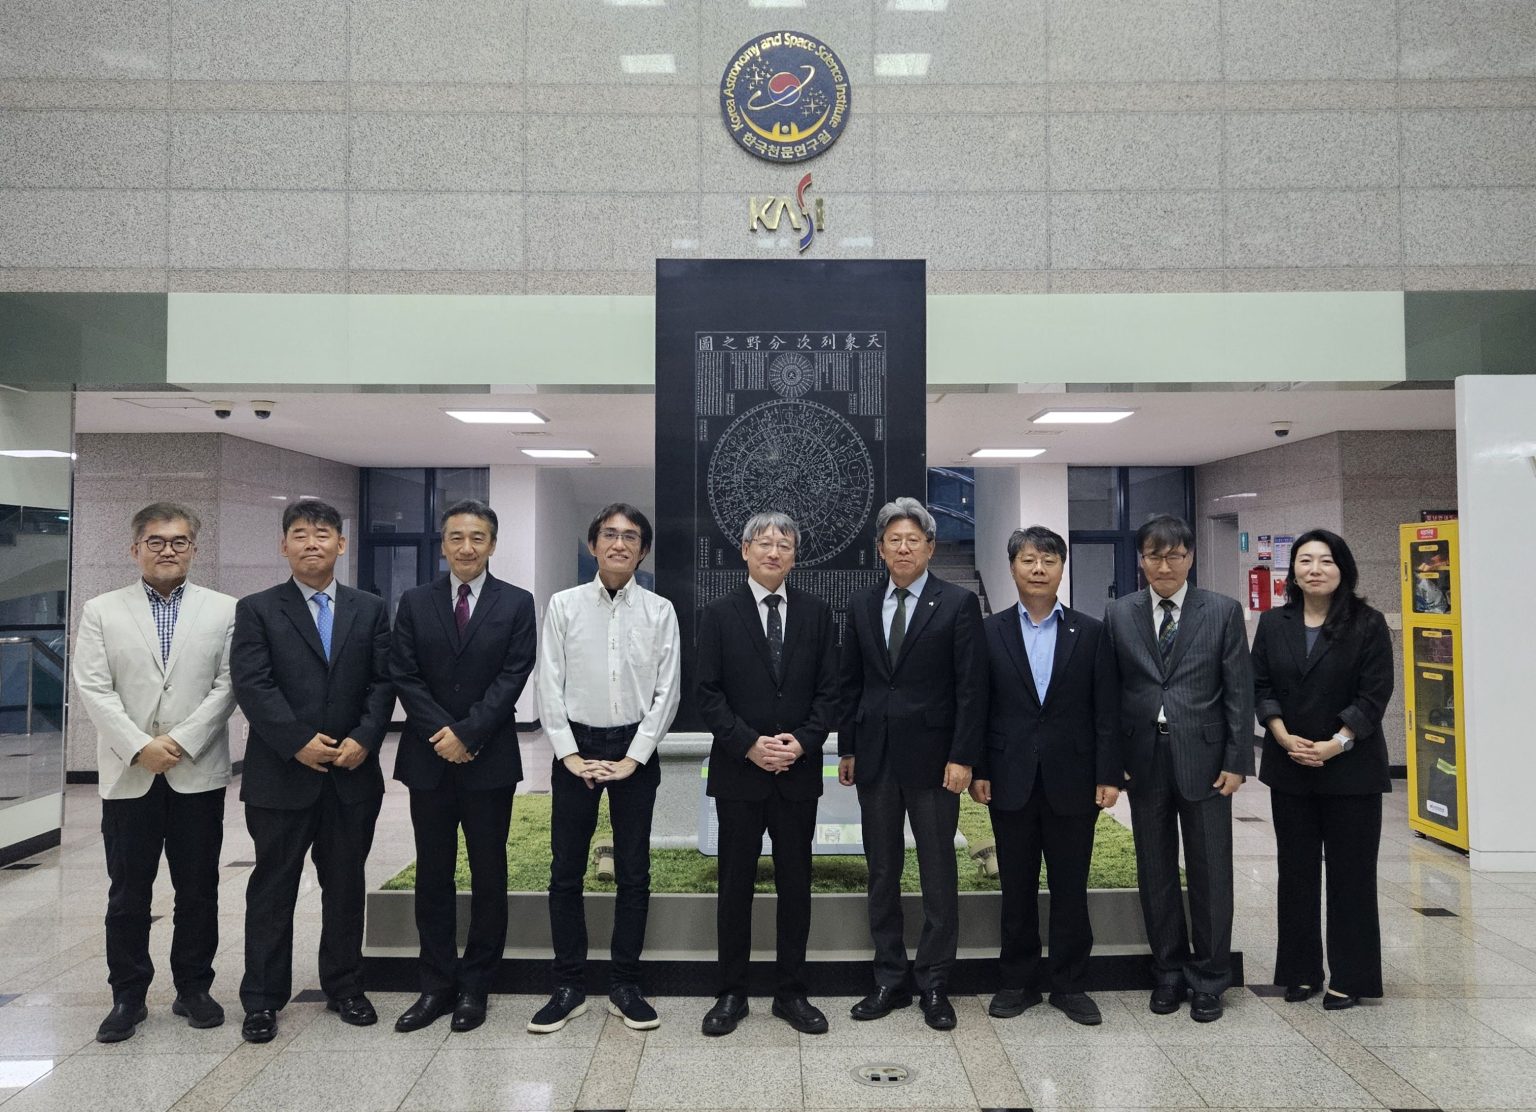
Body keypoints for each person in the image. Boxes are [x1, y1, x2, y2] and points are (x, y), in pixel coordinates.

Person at [72, 503, 238, 1043]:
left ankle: (194, 987)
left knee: (198, 888)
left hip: (197, 771)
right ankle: (128, 995)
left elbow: (229, 684)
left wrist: (180, 741)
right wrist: (141, 746)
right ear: (135, 548)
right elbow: (94, 688)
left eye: (180, 541)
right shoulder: (101, 610)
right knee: (128, 891)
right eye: (157, 541)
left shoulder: (223, 609)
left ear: (194, 547)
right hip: (129, 775)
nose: (168, 550)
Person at [230, 500, 394, 1043]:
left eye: (323, 534)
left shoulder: (369, 608)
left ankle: (344, 986)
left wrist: (364, 739)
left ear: (341, 545)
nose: (311, 543)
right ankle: (261, 999)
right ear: (283, 545)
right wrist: (297, 741)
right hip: (281, 775)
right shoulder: (257, 609)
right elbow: (253, 684)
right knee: (273, 887)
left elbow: (382, 682)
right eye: (299, 534)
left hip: (351, 774)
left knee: (345, 885)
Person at [531, 503, 680, 1034]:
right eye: (609, 535)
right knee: (565, 871)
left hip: (634, 750)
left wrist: (633, 758)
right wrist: (569, 753)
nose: (619, 544)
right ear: (593, 544)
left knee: (634, 872)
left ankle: (624, 984)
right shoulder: (564, 605)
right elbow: (549, 679)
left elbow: (667, 691)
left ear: (643, 550)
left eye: (631, 537)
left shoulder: (660, 611)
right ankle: (568, 985)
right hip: (576, 747)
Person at [837, 497, 986, 1031]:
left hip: (936, 763)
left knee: (938, 873)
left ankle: (935, 982)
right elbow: (851, 683)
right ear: (880, 549)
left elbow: (972, 690)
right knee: (882, 872)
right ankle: (888, 978)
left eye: (912, 539)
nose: (903, 548)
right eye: (893, 540)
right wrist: (848, 748)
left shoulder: (957, 604)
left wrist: (963, 757)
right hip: (875, 759)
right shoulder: (860, 603)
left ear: (930, 547)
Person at [390, 499, 536, 1034]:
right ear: (443, 543)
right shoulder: (414, 601)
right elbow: (404, 674)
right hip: (429, 760)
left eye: (477, 537)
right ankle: (435, 985)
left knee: (488, 873)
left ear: (492, 544)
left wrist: (470, 732)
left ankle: (476, 984)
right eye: (456, 537)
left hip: (488, 760)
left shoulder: (517, 604)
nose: (467, 547)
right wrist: (443, 734)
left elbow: (513, 675)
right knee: (432, 873)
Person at [696, 512, 841, 1037]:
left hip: (797, 773)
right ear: (744, 551)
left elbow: (831, 691)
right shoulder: (717, 614)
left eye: (784, 544)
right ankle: (731, 993)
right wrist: (748, 745)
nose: (773, 552)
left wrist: (802, 742)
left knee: (796, 884)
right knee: (734, 886)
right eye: (764, 543)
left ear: (795, 555)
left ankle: (791, 993)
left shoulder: (818, 613)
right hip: (739, 773)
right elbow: (707, 693)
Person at [1103, 514, 1253, 1023]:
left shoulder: (1223, 611)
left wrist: (1238, 760)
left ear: (1190, 557)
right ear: (1140, 560)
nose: (1163, 564)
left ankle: (1210, 979)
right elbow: (1111, 694)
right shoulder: (1119, 613)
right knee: (1156, 870)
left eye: (1174, 555)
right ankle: (1167, 974)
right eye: (1153, 555)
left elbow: (1238, 692)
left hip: (1207, 762)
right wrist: (1114, 762)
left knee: (1212, 873)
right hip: (1143, 760)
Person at [971, 526, 1121, 1026]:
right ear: (1012, 567)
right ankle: (1016, 981)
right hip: (1008, 778)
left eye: (1049, 561)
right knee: (1015, 885)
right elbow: (979, 706)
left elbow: (1106, 711)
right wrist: (981, 770)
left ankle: (1070, 983)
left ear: (1062, 568)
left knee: (1070, 885)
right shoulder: (989, 631)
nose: (1039, 569)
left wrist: (1108, 774)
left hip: (1074, 779)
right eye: (1029, 560)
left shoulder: (1091, 631)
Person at [1252, 529, 1394, 1011]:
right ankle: (1299, 971)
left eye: (1326, 561)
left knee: (1352, 876)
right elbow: (1261, 684)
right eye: (1306, 560)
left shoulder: (1368, 623)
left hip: (1350, 771)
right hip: (1290, 766)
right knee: (1296, 873)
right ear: (1292, 570)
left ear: (1343, 569)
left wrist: (1336, 743)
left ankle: (1351, 977)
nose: (1315, 569)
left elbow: (1374, 695)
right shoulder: (1274, 623)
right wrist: (1279, 732)